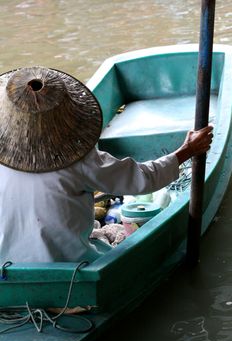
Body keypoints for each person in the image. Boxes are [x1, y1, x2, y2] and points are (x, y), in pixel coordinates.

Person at [0, 66, 213, 263]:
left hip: (6, 265)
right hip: (67, 264)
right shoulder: (78, 161)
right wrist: (187, 150)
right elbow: (143, 179)